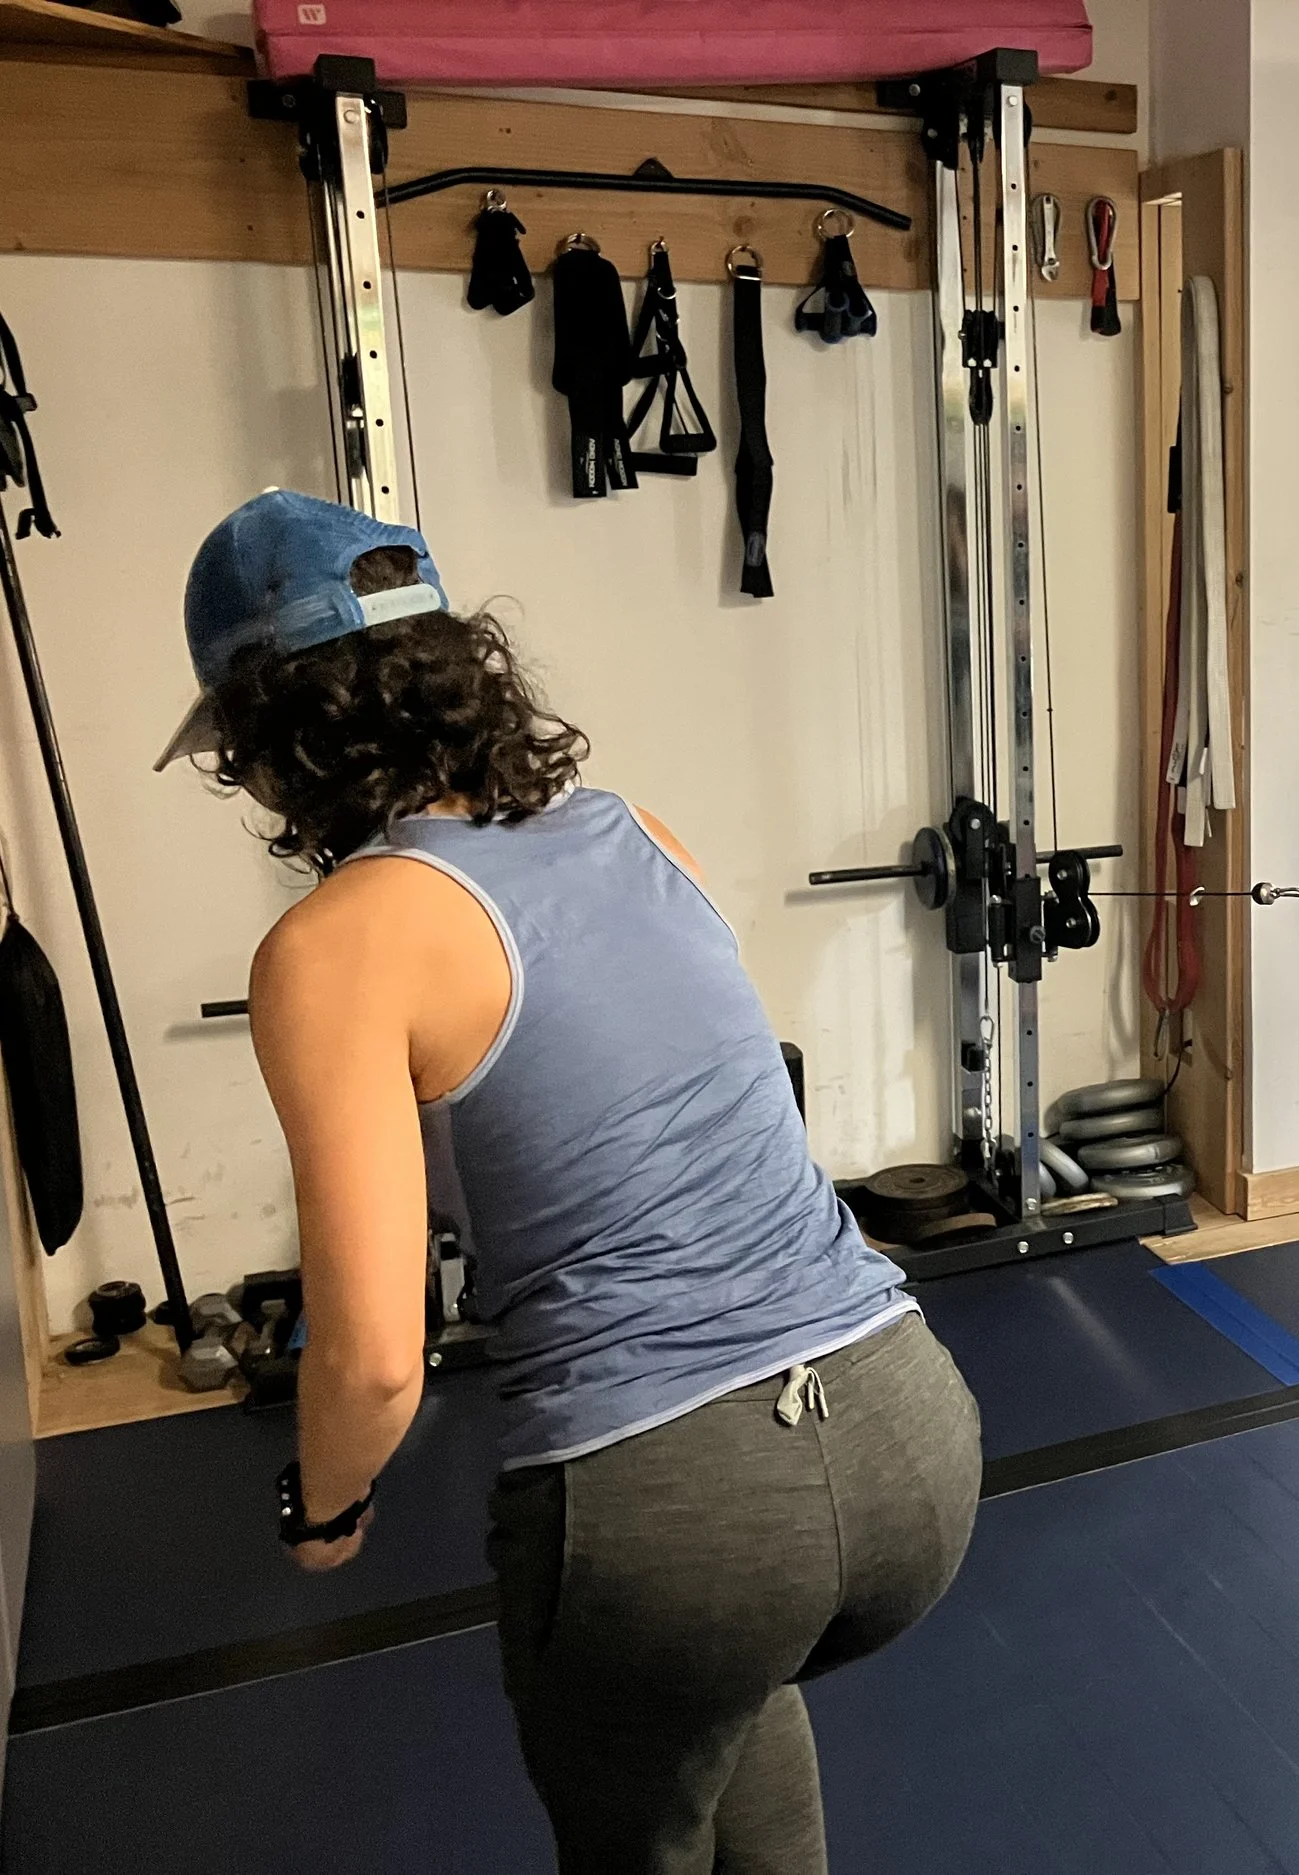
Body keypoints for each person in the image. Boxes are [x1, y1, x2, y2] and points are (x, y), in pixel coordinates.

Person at [158, 490, 982, 1871]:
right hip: (913, 1436)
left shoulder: (336, 941)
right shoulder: (640, 830)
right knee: (728, 1680)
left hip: (673, 1518)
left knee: (647, 1796)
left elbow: (371, 1361)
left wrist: (327, 1505)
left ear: (268, 735)